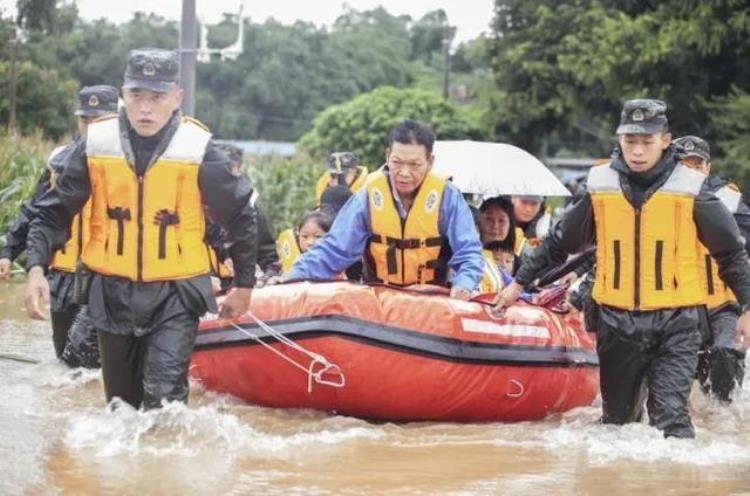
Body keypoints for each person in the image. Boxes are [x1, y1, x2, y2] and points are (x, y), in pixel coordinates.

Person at [494, 99, 750, 439]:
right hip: (616, 322)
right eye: (631, 141)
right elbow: (560, 243)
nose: (638, 151)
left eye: (647, 141)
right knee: (618, 425)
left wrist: (747, 306)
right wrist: (517, 285)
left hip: (678, 322)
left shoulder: (692, 190)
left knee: (670, 418)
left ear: (664, 140)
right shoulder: (601, 187)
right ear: (620, 141)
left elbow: (731, 254)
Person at [24, 48, 258, 410]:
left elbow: (241, 215)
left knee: (164, 401)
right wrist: (36, 267)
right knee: (121, 407)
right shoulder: (96, 144)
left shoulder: (199, 149)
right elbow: (54, 211)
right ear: (123, 95)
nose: (145, 108)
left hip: (176, 293)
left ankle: (164, 460)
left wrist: (243, 284)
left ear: (176, 98)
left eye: (157, 97)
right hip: (110, 288)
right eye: (136, 96)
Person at [287, 120, 484, 299]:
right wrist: (292, 276)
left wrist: (464, 285)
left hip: (433, 301)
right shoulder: (368, 196)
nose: (404, 173)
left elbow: (469, 252)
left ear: (430, 162)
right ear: (388, 156)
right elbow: (334, 248)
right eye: (397, 162)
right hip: (380, 302)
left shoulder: (447, 197)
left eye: (415, 165)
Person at [0, 85, 118, 360]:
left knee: (82, 354)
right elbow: (36, 211)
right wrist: (7, 252)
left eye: (98, 120)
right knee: (65, 360)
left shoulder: (129, 162)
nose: (90, 128)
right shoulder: (59, 160)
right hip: (63, 273)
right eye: (84, 120)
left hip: (105, 276)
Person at [674, 135, 748, 402]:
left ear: (707, 167)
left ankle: (722, 421)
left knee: (724, 355)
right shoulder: (659, 199)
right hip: (679, 305)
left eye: (697, 164)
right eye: (685, 164)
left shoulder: (729, 201)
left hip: (722, 305)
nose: (692, 170)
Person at [211, 142, 281, 288]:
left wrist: (271, 271)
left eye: (230, 171)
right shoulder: (196, 198)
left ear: (239, 170)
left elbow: (265, 247)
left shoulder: (250, 203)